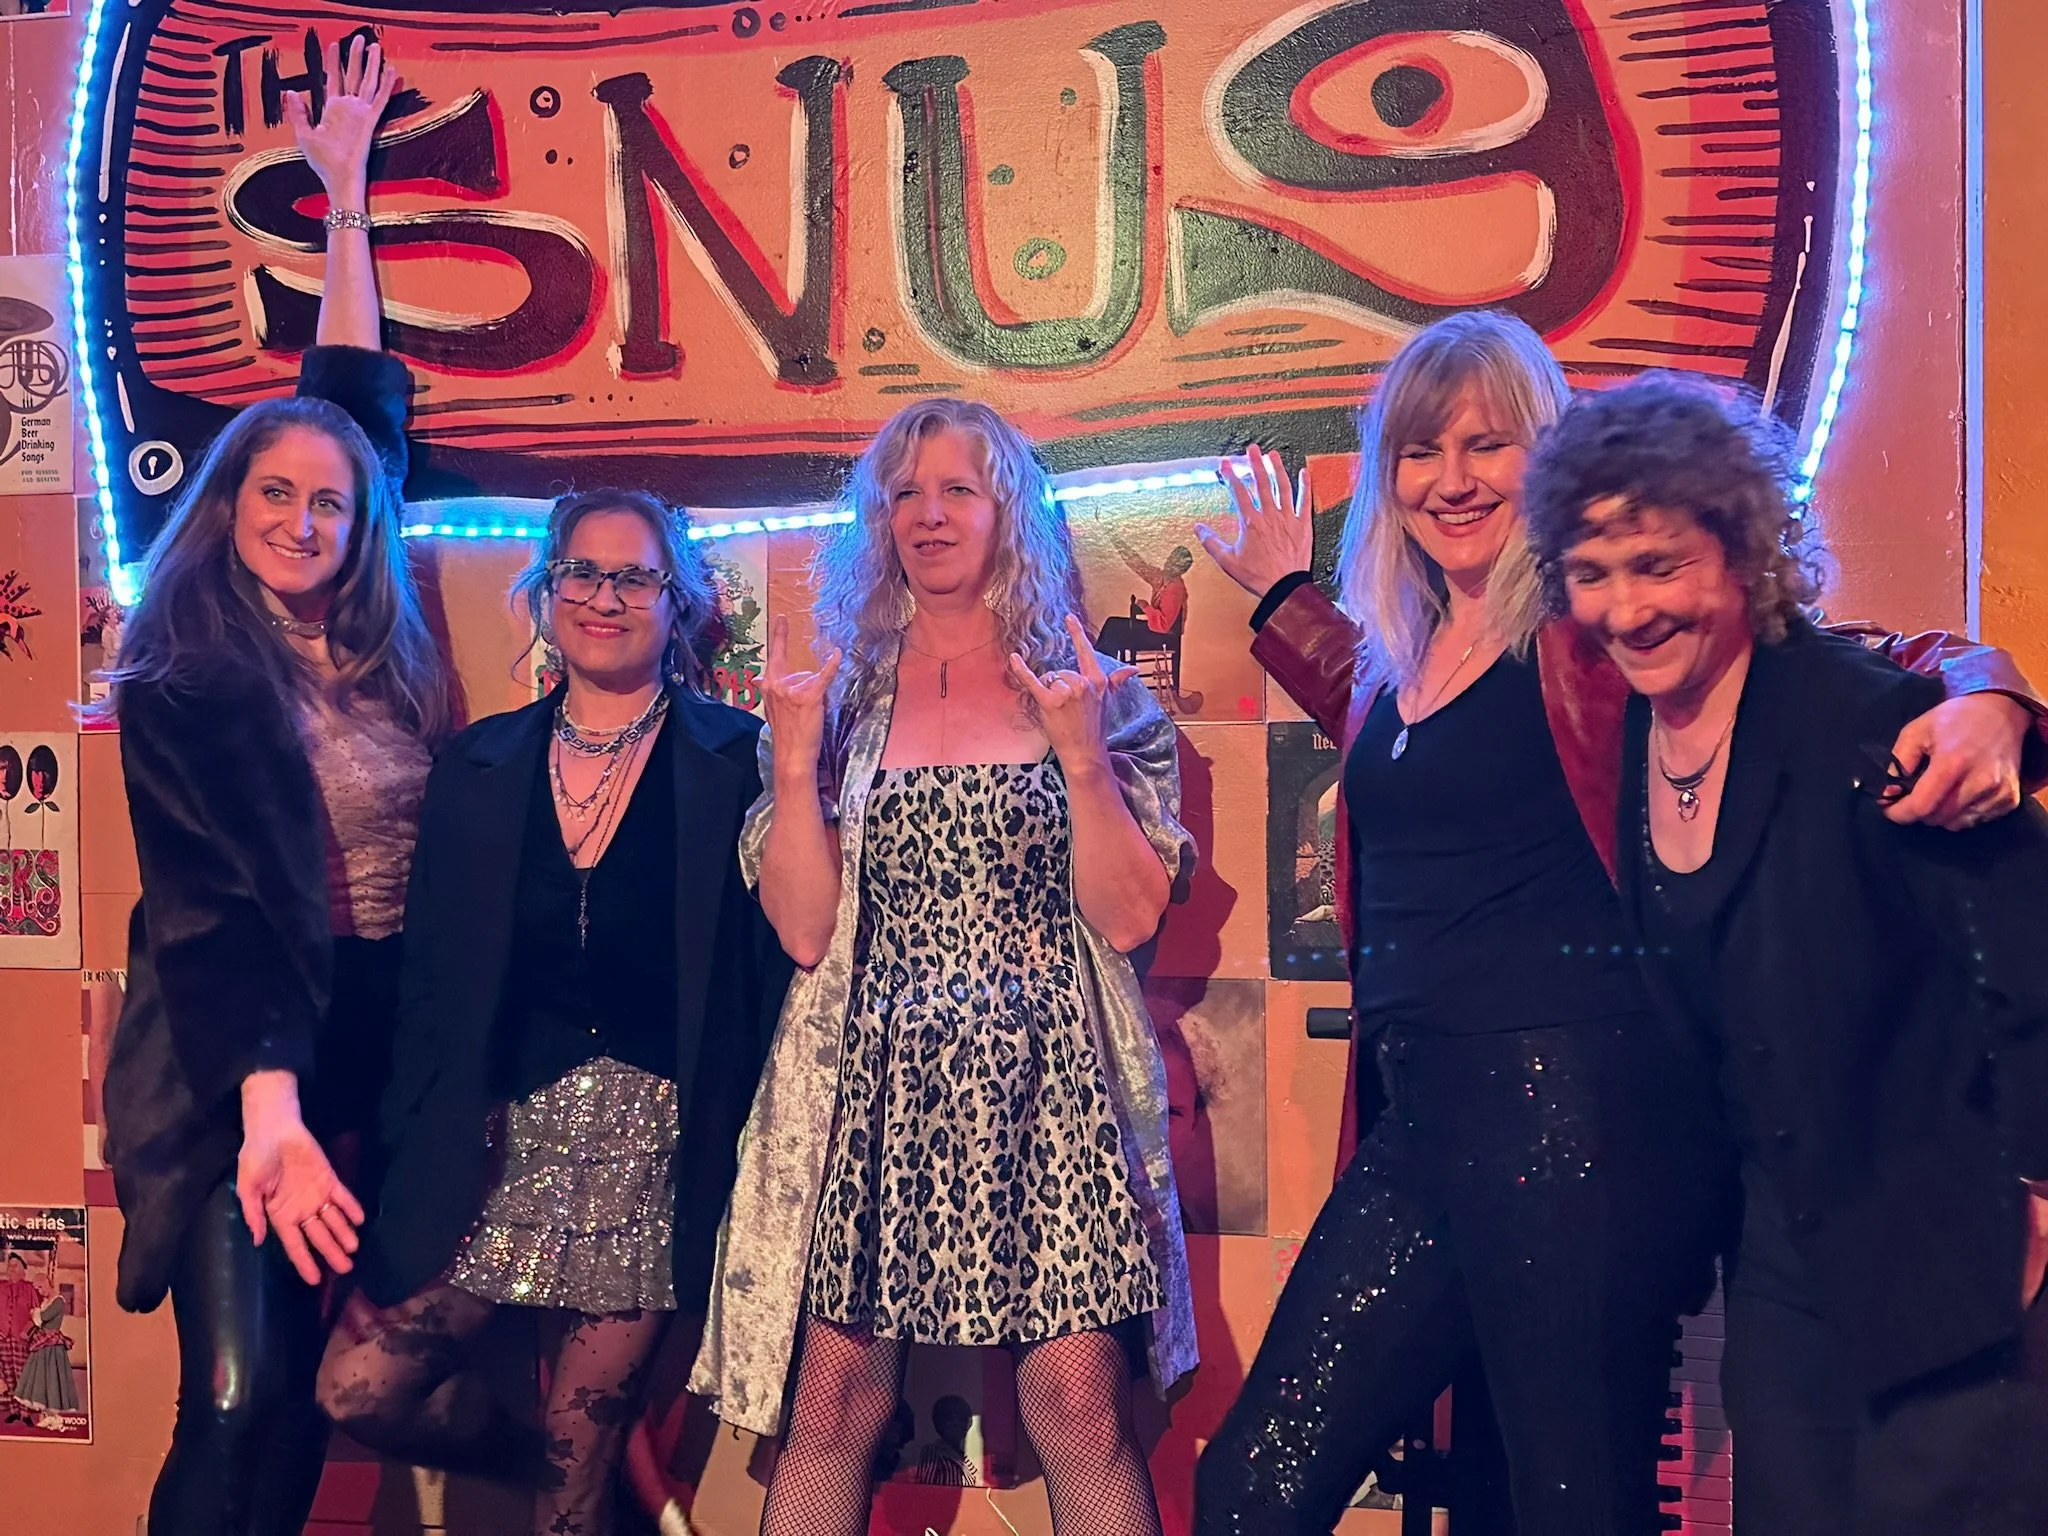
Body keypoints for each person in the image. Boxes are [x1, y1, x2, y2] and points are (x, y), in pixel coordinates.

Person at [1187, 310, 2047, 1536]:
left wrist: (1987, 694)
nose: (1449, 480)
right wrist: (1278, 591)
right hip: (1420, 1127)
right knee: (1252, 1484)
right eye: (1418, 451)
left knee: (1565, 1506)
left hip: (1579, 1117)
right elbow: (1408, 749)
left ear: (1548, 458)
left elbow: (1861, 666)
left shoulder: (1591, 635)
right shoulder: (1401, 661)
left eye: (1484, 444)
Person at [1524, 372, 2048, 1536]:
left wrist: (2038, 1200)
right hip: (1781, 1275)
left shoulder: (1868, 725)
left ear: (1742, 555)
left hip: (1955, 1265)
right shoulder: (1632, 743)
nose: (1624, 609)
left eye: (1657, 566)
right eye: (1593, 573)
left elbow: (2029, 960)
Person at [689, 398, 1198, 1536]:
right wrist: (789, 752)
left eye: (957, 489)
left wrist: (1079, 759)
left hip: (1052, 1081)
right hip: (871, 1082)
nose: (928, 514)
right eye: (904, 493)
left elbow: (1127, 917)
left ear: (1004, 511)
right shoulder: (843, 696)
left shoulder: (1089, 688)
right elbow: (805, 932)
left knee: (1077, 1405)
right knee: (825, 1405)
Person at [96, 40, 454, 1536]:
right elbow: (217, 917)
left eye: (327, 502)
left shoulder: (371, 646)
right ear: (225, 506)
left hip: (363, 1045)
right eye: (275, 494)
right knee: (233, 1402)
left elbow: (353, 406)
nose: (306, 518)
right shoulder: (185, 674)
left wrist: (347, 199)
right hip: (233, 1059)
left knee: (302, 1401)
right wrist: (268, 1109)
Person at [315, 487, 793, 1536]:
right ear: (543, 592)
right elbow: (432, 996)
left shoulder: (741, 758)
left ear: (681, 603)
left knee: (570, 1502)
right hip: (494, 1160)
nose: (604, 596)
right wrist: (398, 1177)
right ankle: (550, 1460)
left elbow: (773, 989)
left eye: (634, 577)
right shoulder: (475, 766)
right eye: (581, 571)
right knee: (358, 1388)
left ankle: (572, 1472)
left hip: (658, 1168)